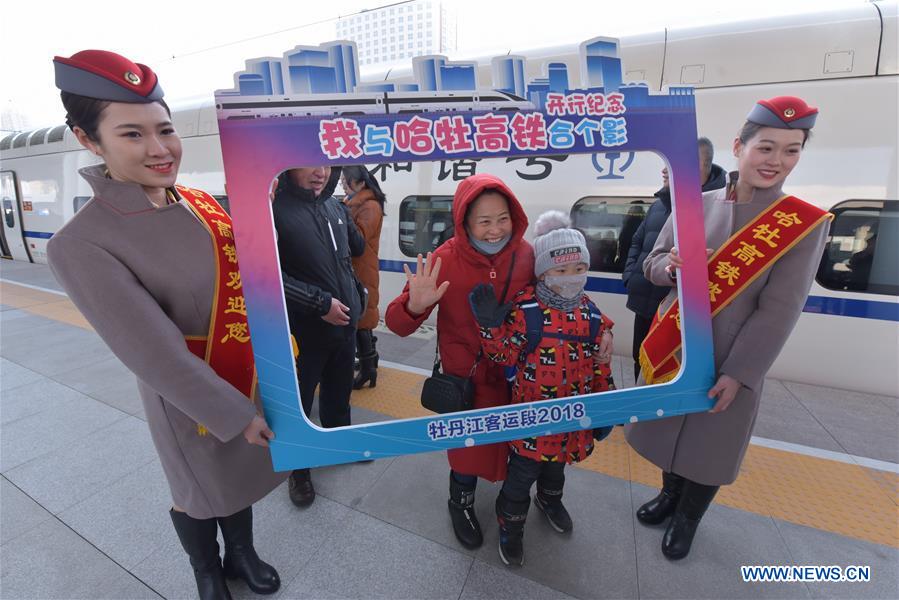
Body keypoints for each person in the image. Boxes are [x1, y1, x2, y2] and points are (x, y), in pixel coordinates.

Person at [47, 50, 284, 599]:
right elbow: (150, 353)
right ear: (89, 140)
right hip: (187, 400)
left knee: (239, 482)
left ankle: (242, 555)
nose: (159, 149)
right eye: (132, 134)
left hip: (249, 377)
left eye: (166, 129)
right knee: (200, 488)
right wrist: (235, 412)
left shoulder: (201, 203)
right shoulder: (82, 242)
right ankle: (206, 571)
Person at [625, 96, 832, 560]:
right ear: (740, 146)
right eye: (766, 147)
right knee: (667, 430)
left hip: (734, 358)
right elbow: (654, 263)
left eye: (791, 150)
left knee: (710, 444)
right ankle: (667, 496)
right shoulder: (691, 203)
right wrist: (670, 269)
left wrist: (740, 372)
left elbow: (780, 310)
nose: (777, 161)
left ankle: (688, 518)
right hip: (677, 346)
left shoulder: (802, 224)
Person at [385, 174, 535, 550]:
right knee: (467, 449)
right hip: (466, 377)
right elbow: (396, 324)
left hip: (517, 375)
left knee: (515, 445)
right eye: (484, 221)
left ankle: (512, 499)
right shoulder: (444, 259)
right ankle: (461, 501)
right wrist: (413, 306)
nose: (495, 229)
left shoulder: (527, 254)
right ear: (464, 222)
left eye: (503, 218)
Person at [468, 211, 615, 566]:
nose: (571, 278)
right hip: (531, 421)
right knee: (521, 477)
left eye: (579, 269)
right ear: (543, 273)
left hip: (570, 420)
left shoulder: (591, 312)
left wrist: (605, 404)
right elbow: (504, 354)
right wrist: (490, 326)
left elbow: (599, 360)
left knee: (557, 468)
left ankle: (550, 500)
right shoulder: (528, 310)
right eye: (560, 271)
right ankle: (511, 527)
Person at [273, 165, 365, 507]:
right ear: (287, 166)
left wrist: (356, 298)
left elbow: (352, 253)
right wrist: (319, 302)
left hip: (345, 323)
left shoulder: (334, 207)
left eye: (326, 163)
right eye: (308, 162)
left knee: (339, 390)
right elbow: (266, 274)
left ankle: (340, 443)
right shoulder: (274, 209)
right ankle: (298, 471)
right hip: (304, 328)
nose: (319, 172)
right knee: (298, 402)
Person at [623, 137, 726, 381]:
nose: (664, 169)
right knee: (642, 359)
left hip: (683, 311)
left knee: (674, 370)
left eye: (678, 162)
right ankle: (643, 414)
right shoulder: (660, 204)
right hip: (646, 304)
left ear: (705, 167)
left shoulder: (720, 208)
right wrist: (631, 276)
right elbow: (636, 242)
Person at [340, 165, 387, 389]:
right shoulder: (357, 203)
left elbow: (358, 239)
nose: (341, 183)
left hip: (362, 269)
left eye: (345, 180)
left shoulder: (369, 206)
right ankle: (369, 366)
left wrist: (342, 215)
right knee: (360, 321)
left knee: (363, 321)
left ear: (359, 183)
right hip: (356, 269)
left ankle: (369, 369)